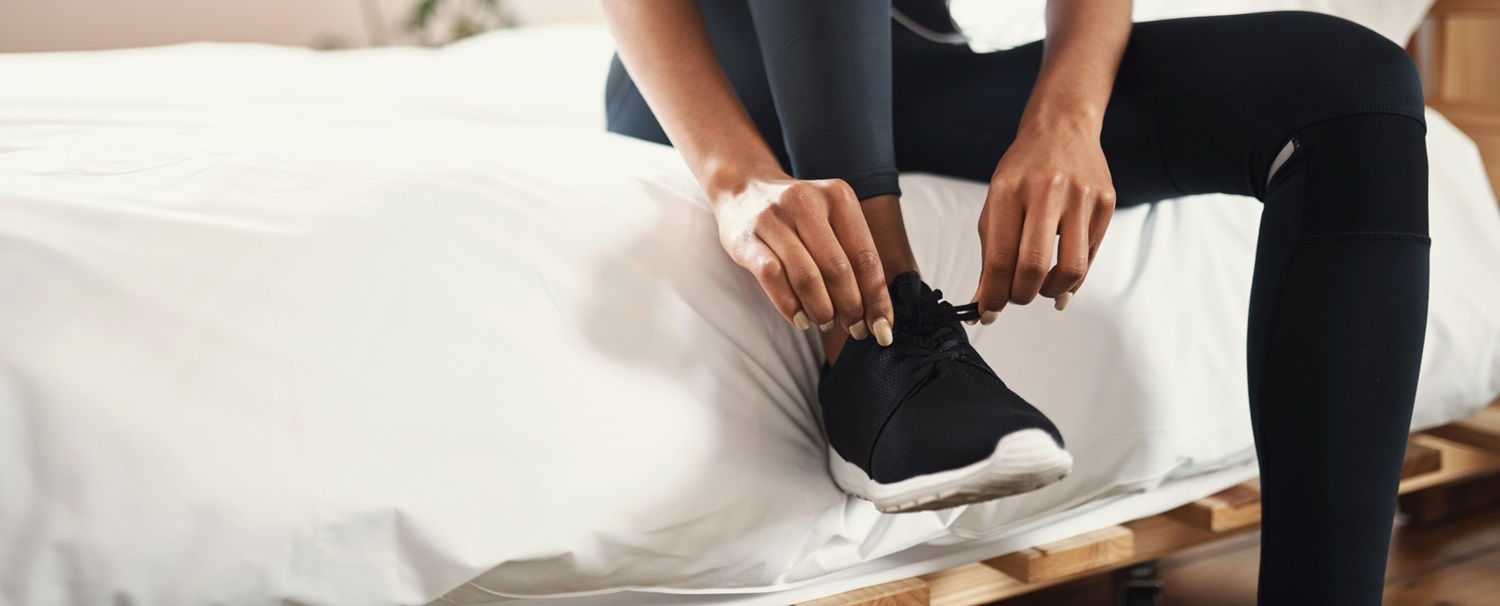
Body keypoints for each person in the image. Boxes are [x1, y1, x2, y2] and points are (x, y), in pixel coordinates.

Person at [599, 1, 1431, 603]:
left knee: (1355, 90)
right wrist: (733, 177)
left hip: (912, 62)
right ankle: (875, 341)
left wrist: (1064, 118)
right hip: (725, 65)